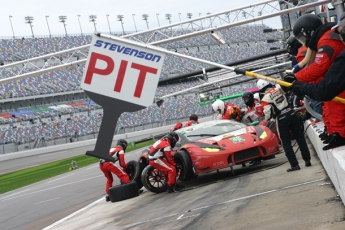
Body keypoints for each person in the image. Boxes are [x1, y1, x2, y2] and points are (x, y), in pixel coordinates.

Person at [290, 26, 345, 151]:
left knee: (334, 106)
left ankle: (339, 134)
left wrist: (297, 79)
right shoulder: (320, 43)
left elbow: (318, 67)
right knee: (330, 106)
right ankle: (335, 133)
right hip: (330, 83)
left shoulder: (326, 41)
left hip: (333, 83)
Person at [258, 79, 311, 172]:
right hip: (291, 113)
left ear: (261, 89)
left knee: (286, 143)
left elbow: (267, 115)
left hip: (281, 118)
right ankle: (307, 160)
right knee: (300, 137)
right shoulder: (278, 88)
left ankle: (294, 165)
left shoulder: (265, 98)